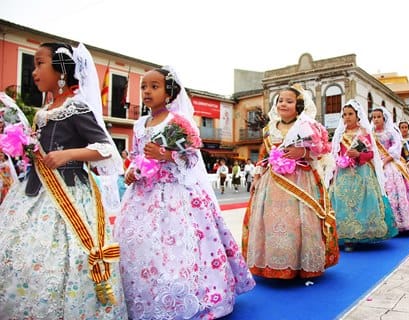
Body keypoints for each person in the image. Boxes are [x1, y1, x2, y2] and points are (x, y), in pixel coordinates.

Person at [114, 67, 254, 320]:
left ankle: (187, 296)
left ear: (168, 93)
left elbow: (191, 160)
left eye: (154, 86)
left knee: (176, 249)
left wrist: (168, 155)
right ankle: (144, 297)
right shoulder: (139, 124)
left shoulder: (178, 122)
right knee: (143, 247)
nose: (147, 91)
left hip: (175, 194)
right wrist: (132, 171)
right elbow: (136, 155)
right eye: (144, 87)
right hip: (142, 195)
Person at [0, 43, 127, 318]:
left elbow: (106, 150)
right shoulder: (42, 111)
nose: (34, 72)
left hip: (69, 196)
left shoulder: (76, 107)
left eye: (40, 63)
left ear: (60, 71)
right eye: (33, 65)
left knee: (64, 260)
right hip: (33, 192)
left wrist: (67, 154)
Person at [242, 84, 339, 279]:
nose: (283, 104)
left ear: (299, 106)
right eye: (280, 100)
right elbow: (264, 153)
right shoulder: (270, 129)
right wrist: (257, 176)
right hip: (272, 181)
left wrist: (301, 152)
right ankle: (274, 262)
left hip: (301, 179)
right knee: (271, 220)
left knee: (299, 221)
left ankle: (298, 264)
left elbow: (321, 151)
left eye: (289, 101)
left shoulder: (306, 126)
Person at [327, 100, 397, 251]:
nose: (347, 117)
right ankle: (346, 237)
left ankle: (362, 233)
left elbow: (371, 154)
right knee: (342, 201)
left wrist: (359, 154)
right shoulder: (340, 134)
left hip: (361, 172)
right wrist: (338, 163)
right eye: (344, 114)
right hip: (343, 172)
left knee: (362, 202)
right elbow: (335, 154)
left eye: (350, 114)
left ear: (357, 115)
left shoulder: (364, 133)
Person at [371, 107, 409, 231]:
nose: (376, 119)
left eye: (378, 117)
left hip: (390, 164)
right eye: (374, 117)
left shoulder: (391, 132)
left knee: (394, 190)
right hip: (375, 163)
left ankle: (400, 221)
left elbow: (396, 149)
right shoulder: (371, 133)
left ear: (384, 118)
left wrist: (384, 161)